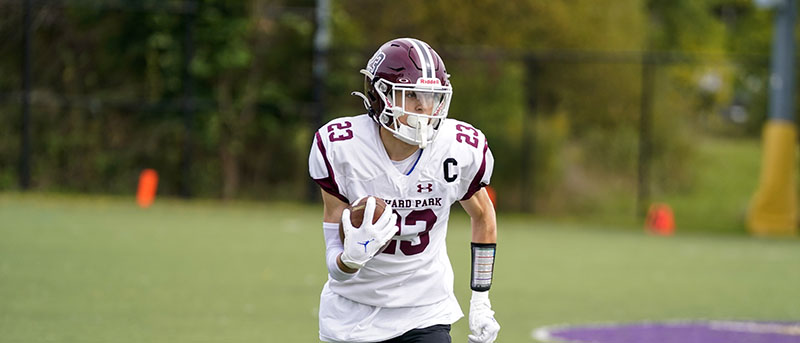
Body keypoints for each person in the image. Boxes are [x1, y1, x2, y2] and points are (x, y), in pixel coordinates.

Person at [308, 37, 500, 343]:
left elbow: (484, 216)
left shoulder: (458, 148)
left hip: (425, 311)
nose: (425, 108)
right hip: (351, 316)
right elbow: (336, 264)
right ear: (381, 96)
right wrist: (350, 260)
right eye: (411, 95)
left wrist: (481, 302)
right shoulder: (341, 146)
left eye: (432, 96)